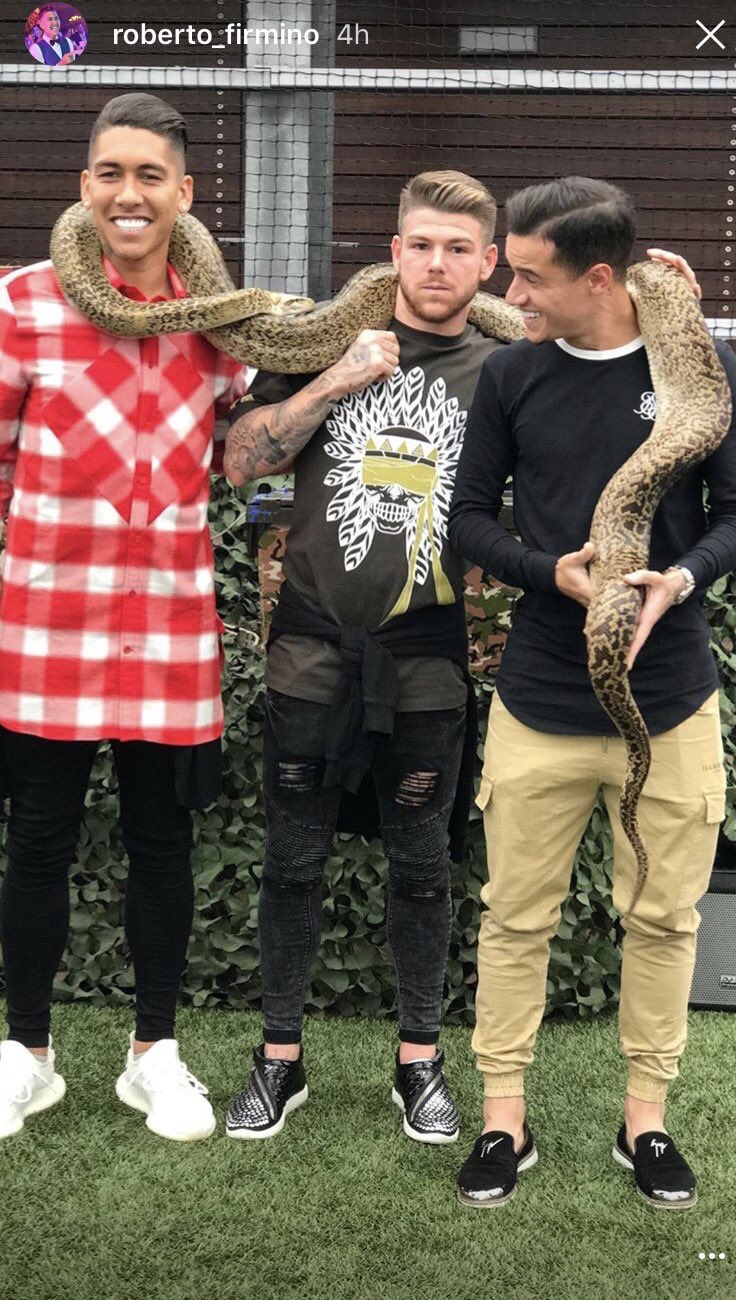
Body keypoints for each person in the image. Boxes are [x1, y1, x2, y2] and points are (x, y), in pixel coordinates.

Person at [448, 176, 736, 1210]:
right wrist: (550, 574)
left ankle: (644, 1120)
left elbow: (733, 516)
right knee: (513, 918)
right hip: (539, 694)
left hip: (672, 697)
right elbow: (468, 518)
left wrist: (680, 578)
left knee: (662, 920)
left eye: (530, 276)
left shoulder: (698, 373)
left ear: (602, 278)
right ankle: (503, 1118)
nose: (510, 293)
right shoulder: (512, 373)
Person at [222, 171, 503, 1143]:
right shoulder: (319, 343)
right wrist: (336, 380)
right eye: (420, 244)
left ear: (487, 263)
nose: (437, 264)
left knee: (422, 865)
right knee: (292, 860)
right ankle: (279, 1058)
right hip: (310, 653)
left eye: (458, 248)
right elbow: (242, 461)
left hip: (426, 660)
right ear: (393, 253)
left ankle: (419, 1061)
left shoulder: (507, 370)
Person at [0, 93, 247, 1142]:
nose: (129, 193)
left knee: (163, 843)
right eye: (111, 172)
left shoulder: (219, 317)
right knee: (37, 841)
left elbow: (243, 447)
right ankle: (28, 1054)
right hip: (45, 626)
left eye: (150, 175)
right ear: (85, 185)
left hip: (172, 627)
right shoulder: (23, 303)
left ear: (184, 192)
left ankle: (156, 1055)